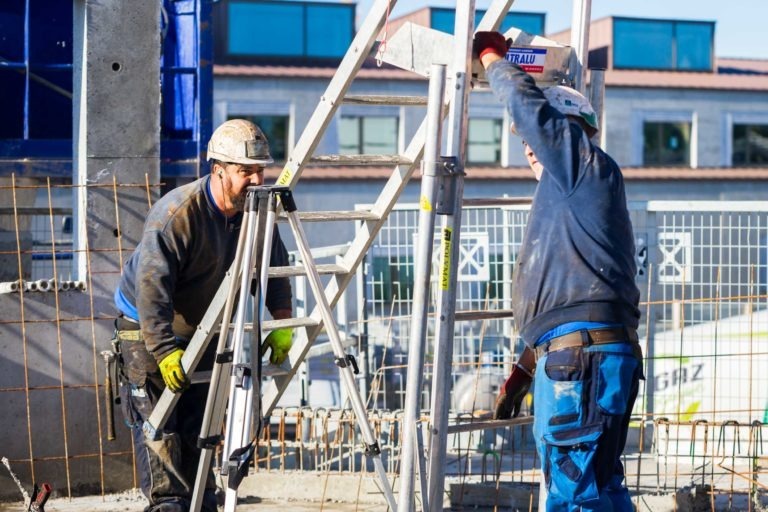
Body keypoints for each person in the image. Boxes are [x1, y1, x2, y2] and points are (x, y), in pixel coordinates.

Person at [474, 32, 643, 511]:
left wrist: (492, 60)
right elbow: (567, 295)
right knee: (600, 487)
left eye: (536, 137)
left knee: (573, 494)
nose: (529, 146)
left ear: (568, 132)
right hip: (586, 359)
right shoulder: (570, 196)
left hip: (581, 365)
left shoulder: (583, 167)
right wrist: (522, 374)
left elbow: (533, 112)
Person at [113, 119, 294, 512]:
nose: (256, 179)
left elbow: (273, 268)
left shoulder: (256, 211)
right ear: (219, 171)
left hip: (205, 326)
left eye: (260, 170)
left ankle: (200, 499)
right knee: (163, 427)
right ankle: (168, 505)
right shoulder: (176, 214)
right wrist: (163, 351)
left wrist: (282, 324)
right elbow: (151, 290)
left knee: (201, 422)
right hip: (147, 327)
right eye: (246, 171)